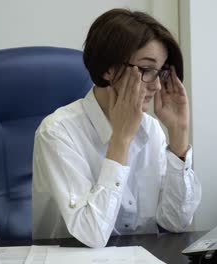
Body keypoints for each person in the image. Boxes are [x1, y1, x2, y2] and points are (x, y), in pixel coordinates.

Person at [32, 8, 201, 248]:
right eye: (146, 69)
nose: (155, 86)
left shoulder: (152, 130)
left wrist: (179, 134)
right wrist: (120, 139)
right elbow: (90, 235)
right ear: (107, 69)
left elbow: (176, 222)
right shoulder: (58, 132)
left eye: (161, 71)